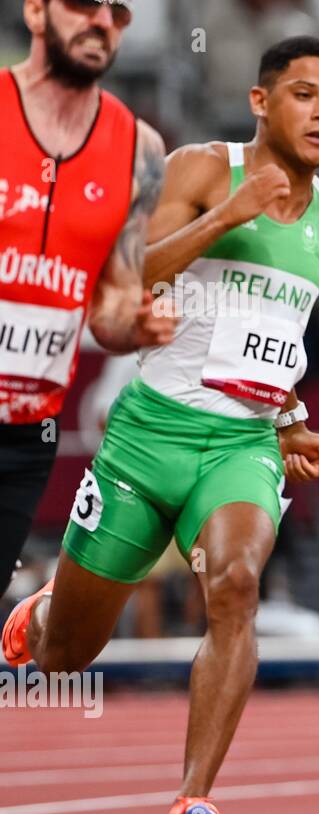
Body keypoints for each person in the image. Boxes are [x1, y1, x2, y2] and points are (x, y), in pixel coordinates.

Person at [3, 35, 319, 814]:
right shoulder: (202, 169)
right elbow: (126, 278)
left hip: (238, 446)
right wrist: (225, 218)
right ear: (262, 102)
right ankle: (45, 610)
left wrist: (290, 417)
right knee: (64, 656)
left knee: (235, 586)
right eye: (305, 95)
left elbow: (271, 337)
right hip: (148, 432)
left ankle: (192, 802)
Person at [0, 0, 175, 593]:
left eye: (117, 12)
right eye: (81, 5)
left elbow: (112, 306)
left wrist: (139, 326)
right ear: (35, 11)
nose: (101, 20)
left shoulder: (140, 151)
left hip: (28, 434)